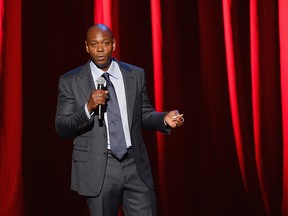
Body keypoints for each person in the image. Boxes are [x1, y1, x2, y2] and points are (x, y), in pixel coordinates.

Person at [55, 23, 184, 216]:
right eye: (94, 44)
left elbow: (144, 114)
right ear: (86, 46)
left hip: (135, 165)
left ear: (113, 44)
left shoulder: (135, 74)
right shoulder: (71, 81)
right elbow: (62, 127)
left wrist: (163, 119)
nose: (100, 49)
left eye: (105, 43)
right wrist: (87, 108)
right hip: (100, 168)